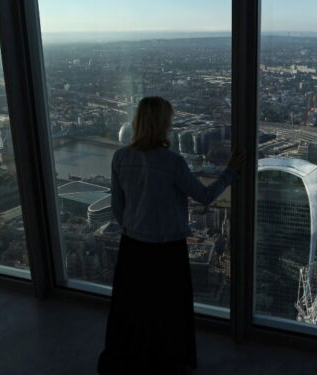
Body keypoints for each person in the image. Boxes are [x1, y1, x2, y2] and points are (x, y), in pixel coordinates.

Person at [97, 96, 245, 375]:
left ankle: (128, 357)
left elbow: (118, 207)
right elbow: (204, 196)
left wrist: (134, 226)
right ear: (164, 124)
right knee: (169, 309)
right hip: (166, 249)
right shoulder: (172, 162)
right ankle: (167, 361)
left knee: (131, 307)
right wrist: (230, 172)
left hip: (132, 247)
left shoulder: (120, 157)